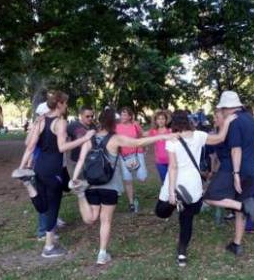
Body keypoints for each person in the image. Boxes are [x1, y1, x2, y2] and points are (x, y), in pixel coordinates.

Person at [69, 108, 179, 265]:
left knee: (91, 218)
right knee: (105, 220)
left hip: (91, 183)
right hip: (110, 185)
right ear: (114, 123)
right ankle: (102, 254)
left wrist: (74, 178)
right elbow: (139, 142)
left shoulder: (90, 138)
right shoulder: (116, 139)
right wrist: (165, 136)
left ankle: (80, 195)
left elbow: (81, 159)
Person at [15, 90, 95, 258]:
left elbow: (30, 146)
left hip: (39, 167)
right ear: (59, 104)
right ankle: (49, 247)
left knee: (43, 205)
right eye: (65, 103)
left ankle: (28, 184)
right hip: (53, 169)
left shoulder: (41, 120)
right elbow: (62, 148)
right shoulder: (60, 122)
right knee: (52, 207)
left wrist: (22, 167)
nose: (66, 106)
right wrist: (85, 137)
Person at [154, 110, 236, 267]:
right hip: (192, 182)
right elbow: (220, 138)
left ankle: (174, 202)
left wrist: (171, 191)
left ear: (173, 124)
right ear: (188, 121)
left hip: (176, 182)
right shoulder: (198, 135)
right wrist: (227, 122)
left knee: (160, 211)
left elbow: (173, 167)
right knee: (187, 219)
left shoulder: (172, 140)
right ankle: (182, 254)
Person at [203, 91, 254, 256]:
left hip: (232, 168)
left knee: (210, 197)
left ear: (228, 107)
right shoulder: (252, 120)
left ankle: (242, 207)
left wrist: (235, 174)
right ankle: (237, 244)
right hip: (250, 169)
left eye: (222, 109)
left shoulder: (234, 122)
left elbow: (236, 150)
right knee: (242, 207)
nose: (222, 113)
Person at [115, 107, 147, 212]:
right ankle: (131, 203)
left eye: (125, 115)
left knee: (142, 178)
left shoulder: (135, 125)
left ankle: (134, 195)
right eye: (121, 114)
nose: (122, 116)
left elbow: (142, 135)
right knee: (128, 180)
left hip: (137, 154)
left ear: (129, 117)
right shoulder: (116, 127)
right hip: (123, 156)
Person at [67, 106, 96, 174]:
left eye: (92, 116)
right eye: (87, 116)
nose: (90, 118)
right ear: (81, 115)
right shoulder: (72, 125)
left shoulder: (93, 126)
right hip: (76, 162)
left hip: (91, 161)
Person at [145, 110, 172, 183]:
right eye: (159, 119)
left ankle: (174, 194)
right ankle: (166, 194)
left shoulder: (170, 131)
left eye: (163, 118)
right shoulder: (153, 131)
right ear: (156, 121)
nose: (161, 121)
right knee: (164, 181)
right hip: (160, 162)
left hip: (172, 161)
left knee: (173, 181)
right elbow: (142, 135)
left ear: (166, 120)